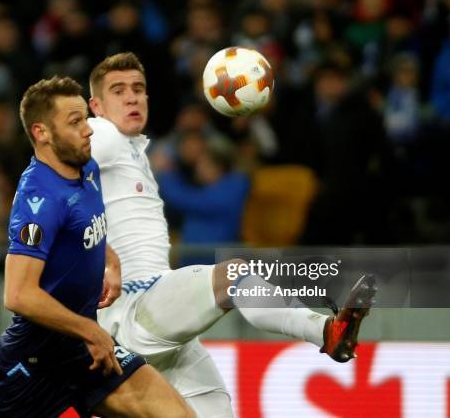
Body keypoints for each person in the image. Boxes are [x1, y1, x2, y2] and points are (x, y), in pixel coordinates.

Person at [88, 52, 376, 417]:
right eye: (118, 90)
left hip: (158, 322)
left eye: (138, 88)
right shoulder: (99, 136)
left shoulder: (138, 152)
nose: (132, 97)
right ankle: (325, 332)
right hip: (129, 313)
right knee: (233, 275)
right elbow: (53, 168)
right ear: (96, 106)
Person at [0, 76, 194, 417]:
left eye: (85, 119)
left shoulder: (85, 167)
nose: (88, 130)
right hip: (33, 362)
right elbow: (18, 294)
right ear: (42, 133)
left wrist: (109, 257)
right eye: (74, 122)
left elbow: (82, 227)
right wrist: (90, 329)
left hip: (85, 350)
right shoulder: (39, 200)